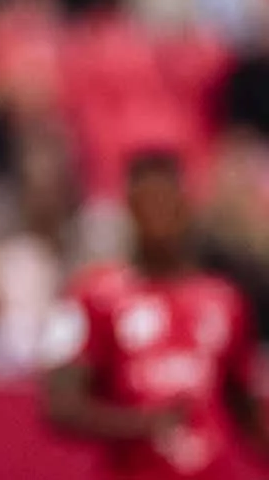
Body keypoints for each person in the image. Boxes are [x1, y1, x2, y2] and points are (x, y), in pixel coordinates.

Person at [40, 150, 269, 480]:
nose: (157, 216)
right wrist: (140, 423)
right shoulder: (92, 297)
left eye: (165, 202)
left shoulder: (225, 300)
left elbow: (245, 410)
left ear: (185, 207)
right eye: (147, 204)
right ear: (130, 210)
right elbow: (60, 406)